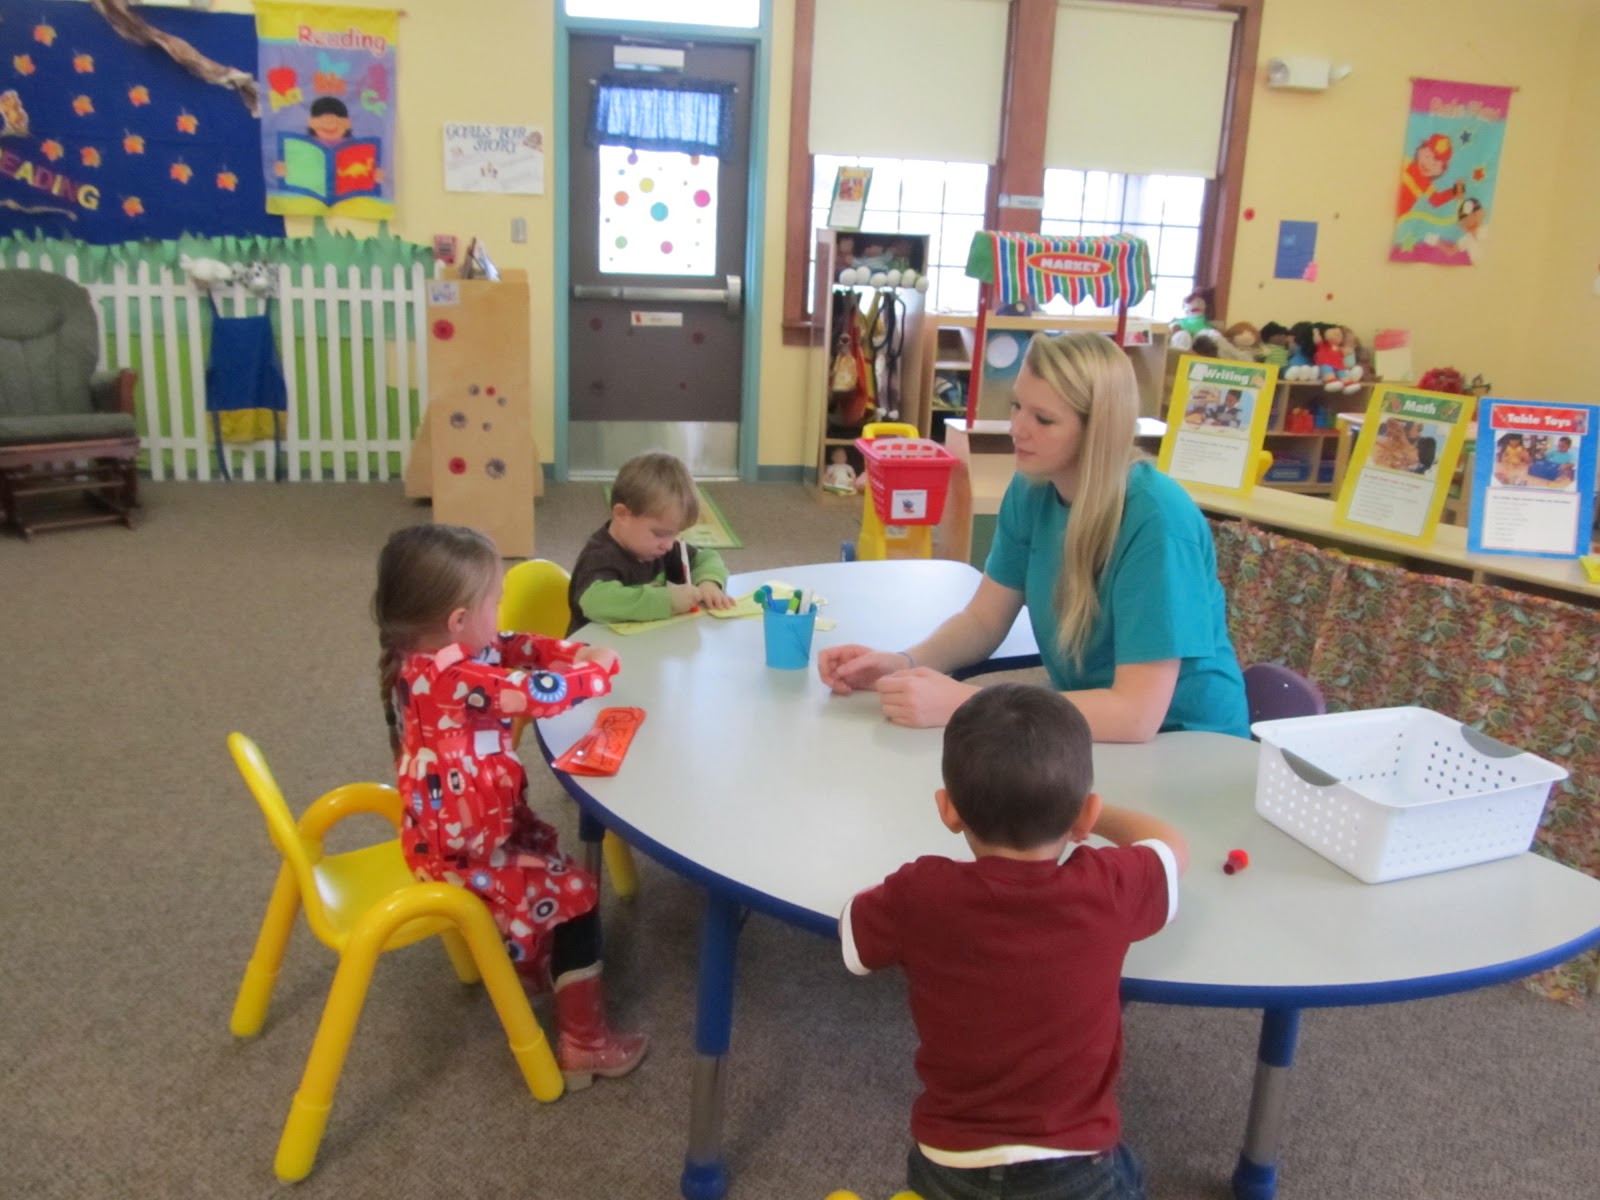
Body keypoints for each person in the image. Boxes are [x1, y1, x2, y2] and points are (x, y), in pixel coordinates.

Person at [841, 684, 1188, 1200]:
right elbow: (1169, 846)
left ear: (948, 809)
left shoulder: (921, 892)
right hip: (1077, 1163)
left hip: (949, 1161)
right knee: (1129, 1175)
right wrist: (1087, 815)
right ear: (1084, 818)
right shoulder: (1107, 885)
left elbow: (853, 941)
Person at [819, 331, 1249, 741]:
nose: (1017, 429)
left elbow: (1136, 715)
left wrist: (965, 703)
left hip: (1185, 741)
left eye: (1043, 419)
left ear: (1096, 431)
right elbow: (983, 621)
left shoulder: (1156, 519)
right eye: (1016, 406)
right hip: (1094, 726)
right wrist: (902, 663)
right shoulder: (1032, 488)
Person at [374, 523, 647, 1089]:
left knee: (546, 848)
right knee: (576, 894)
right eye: (493, 602)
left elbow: (516, 645)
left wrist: (569, 649)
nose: (500, 612)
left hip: (462, 829)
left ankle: (528, 961)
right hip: (462, 855)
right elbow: (541, 695)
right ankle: (585, 1043)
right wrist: (596, 669)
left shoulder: (428, 652)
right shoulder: (451, 676)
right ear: (456, 621)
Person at [567, 451, 735, 633]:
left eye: (675, 535)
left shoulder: (659, 548)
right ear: (622, 515)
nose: (669, 545)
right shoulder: (599, 556)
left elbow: (707, 557)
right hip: (594, 654)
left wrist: (708, 583)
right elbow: (596, 602)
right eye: (659, 533)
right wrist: (667, 601)